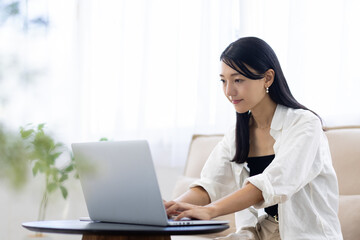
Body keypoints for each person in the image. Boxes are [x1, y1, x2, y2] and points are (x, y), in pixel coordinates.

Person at [164, 37, 343, 240]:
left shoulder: (305, 124)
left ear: (267, 78)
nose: (229, 91)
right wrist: (170, 209)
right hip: (262, 233)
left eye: (238, 80)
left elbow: (272, 183)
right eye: (224, 81)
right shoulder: (237, 133)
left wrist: (211, 210)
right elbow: (210, 186)